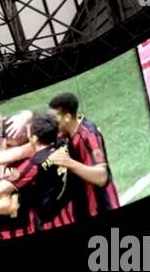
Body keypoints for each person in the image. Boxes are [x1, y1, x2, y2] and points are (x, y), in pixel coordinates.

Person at [48, 92, 120, 223]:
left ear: (68, 117)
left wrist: (69, 163)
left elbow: (102, 177)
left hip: (102, 205)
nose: (52, 123)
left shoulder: (88, 135)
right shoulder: (63, 134)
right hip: (81, 208)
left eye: (55, 119)